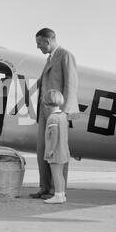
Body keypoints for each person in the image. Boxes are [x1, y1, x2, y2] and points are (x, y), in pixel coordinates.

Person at [30, 28, 79, 199]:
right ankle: (44, 187)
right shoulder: (50, 58)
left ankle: (57, 191)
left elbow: (71, 84)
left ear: (47, 41)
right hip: (45, 111)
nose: (38, 47)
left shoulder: (65, 55)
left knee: (57, 151)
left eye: (39, 44)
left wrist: (65, 112)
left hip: (57, 112)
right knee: (43, 149)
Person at [42, 90, 69, 204]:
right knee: (61, 174)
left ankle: (57, 196)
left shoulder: (52, 118)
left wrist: (50, 150)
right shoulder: (63, 115)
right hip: (63, 150)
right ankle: (61, 194)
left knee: (56, 174)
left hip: (55, 151)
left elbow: (54, 136)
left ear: (47, 104)